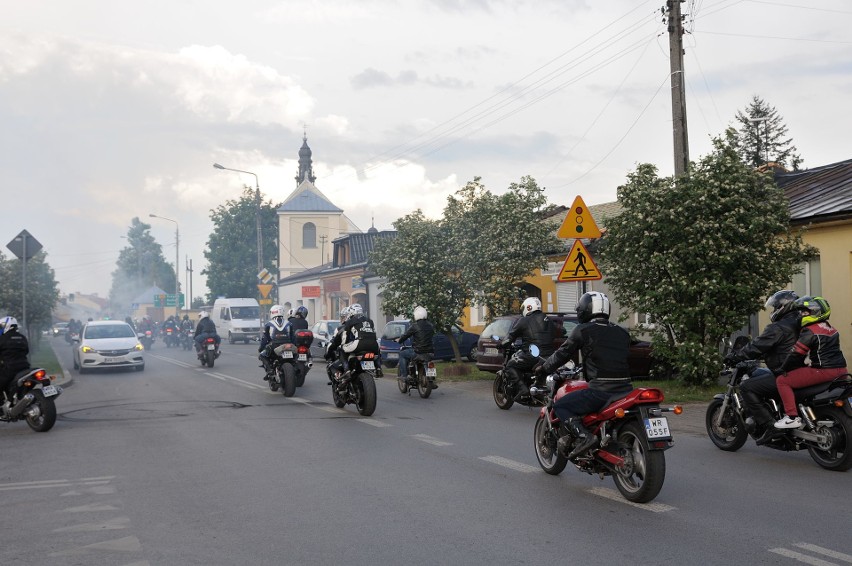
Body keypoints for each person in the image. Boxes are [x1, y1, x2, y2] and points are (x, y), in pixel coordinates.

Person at [535, 292, 632, 459]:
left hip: (600, 391)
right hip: (625, 389)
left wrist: (543, 369)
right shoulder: (622, 332)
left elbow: (562, 354)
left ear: (585, 310)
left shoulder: (583, 330)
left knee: (561, 406)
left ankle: (584, 437)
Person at [725, 289, 801, 443]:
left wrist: (734, 356)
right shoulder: (799, 323)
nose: (773, 310)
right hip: (801, 370)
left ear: (782, 307)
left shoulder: (778, 327)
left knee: (747, 387)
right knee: (762, 376)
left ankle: (769, 425)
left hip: (784, 372)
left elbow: (757, 346)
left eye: (775, 307)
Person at [774, 296, 848, 429]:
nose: (802, 315)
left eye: (805, 312)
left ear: (816, 313)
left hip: (823, 371)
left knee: (782, 381)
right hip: (841, 370)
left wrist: (783, 368)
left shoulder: (810, 330)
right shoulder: (831, 329)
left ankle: (792, 417)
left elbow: (795, 354)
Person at [501, 297, 558, 400]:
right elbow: (561, 331)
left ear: (528, 307)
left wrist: (501, 344)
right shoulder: (548, 319)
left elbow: (510, 336)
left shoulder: (524, 320)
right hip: (549, 355)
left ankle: (523, 389)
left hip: (532, 355)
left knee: (510, 365)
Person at [328, 304, 383, 377]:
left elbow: (345, 336)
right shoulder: (370, 320)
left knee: (341, 349)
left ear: (351, 312)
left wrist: (344, 345)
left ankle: (347, 370)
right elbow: (373, 333)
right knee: (377, 352)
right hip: (374, 344)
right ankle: (379, 368)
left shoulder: (350, 321)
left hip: (359, 343)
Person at [396, 306, 436, 387]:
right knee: (430, 363)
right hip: (430, 353)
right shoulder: (431, 325)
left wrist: (399, 340)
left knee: (402, 354)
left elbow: (405, 335)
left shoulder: (415, 326)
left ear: (416, 315)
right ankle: (431, 379)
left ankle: (404, 376)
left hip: (418, 352)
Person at [0, 317, 30, 399]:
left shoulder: (2, 339)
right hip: (25, 367)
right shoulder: (23, 337)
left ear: (6, 326)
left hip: (9, 369)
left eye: (1, 326)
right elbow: (26, 351)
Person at [258, 305, 291, 379]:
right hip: (289, 345)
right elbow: (293, 337)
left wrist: (261, 348)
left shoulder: (268, 324)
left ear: (272, 313)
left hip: (275, 345)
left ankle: (270, 371)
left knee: (262, 355)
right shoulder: (289, 323)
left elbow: (265, 338)